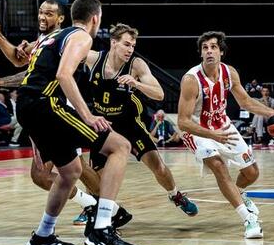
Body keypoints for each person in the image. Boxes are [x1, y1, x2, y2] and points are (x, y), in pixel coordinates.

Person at [0, 1, 121, 228]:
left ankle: (105, 210)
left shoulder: (70, 37)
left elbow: (59, 74)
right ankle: (100, 208)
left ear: (62, 18)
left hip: (59, 104)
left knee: (78, 166)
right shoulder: (43, 40)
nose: (42, 16)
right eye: (41, 12)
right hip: (43, 107)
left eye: (49, 13)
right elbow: (22, 64)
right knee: (45, 174)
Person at [17, 0, 138, 245]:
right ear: (95, 18)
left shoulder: (53, 37)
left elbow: (27, 67)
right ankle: (102, 229)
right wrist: (88, 116)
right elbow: (63, 74)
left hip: (29, 106)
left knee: (71, 171)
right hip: (44, 104)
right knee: (120, 146)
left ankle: (42, 236)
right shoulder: (81, 36)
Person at [82, 23, 198, 222]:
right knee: (96, 178)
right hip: (104, 126)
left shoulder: (136, 65)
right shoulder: (93, 58)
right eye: (126, 44)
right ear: (113, 42)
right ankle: (94, 207)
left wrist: (136, 83)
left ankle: (175, 195)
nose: (130, 49)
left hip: (130, 125)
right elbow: (61, 52)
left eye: (133, 46)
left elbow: (160, 94)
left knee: (159, 167)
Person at [178, 31, 274, 239]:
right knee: (218, 166)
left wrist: (273, 114)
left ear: (221, 52)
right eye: (205, 48)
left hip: (222, 125)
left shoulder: (229, 72)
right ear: (200, 53)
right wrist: (212, 135)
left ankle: (238, 193)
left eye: (213, 47)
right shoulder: (191, 80)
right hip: (197, 129)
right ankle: (248, 219)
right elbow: (183, 121)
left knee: (252, 173)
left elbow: (246, 102)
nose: (209, 51)